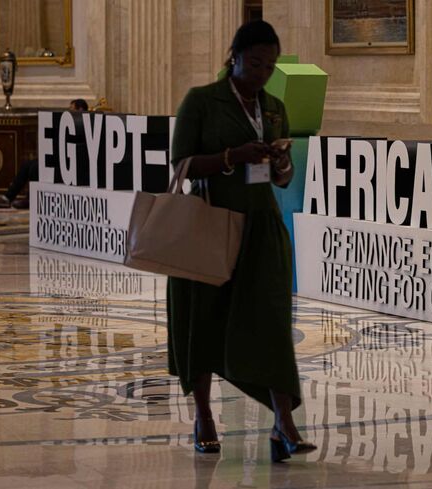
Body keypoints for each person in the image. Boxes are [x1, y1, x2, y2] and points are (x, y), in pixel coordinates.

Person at [168, 20, 314, 461]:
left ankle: (283, 424)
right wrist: (233, 157)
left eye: (270, 66)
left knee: (270, 321)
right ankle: (203, 416)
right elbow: (181, 165)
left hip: (262, 225)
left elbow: (281, 178)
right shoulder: (202, 101)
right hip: (211, 222)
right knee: (202, 318)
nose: (262, 74)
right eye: (255, 63)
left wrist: (281, 162)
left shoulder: (273, 107)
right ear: (234, 56)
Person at [0, 99, 89, 209]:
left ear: (80, 110)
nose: (68, 112)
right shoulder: (67, 125)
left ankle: (31, 199)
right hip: (59, 160)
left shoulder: (83, 125)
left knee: (35, 168)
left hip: (71, 166)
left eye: (72, 109)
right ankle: (7, 198)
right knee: (27, 165)